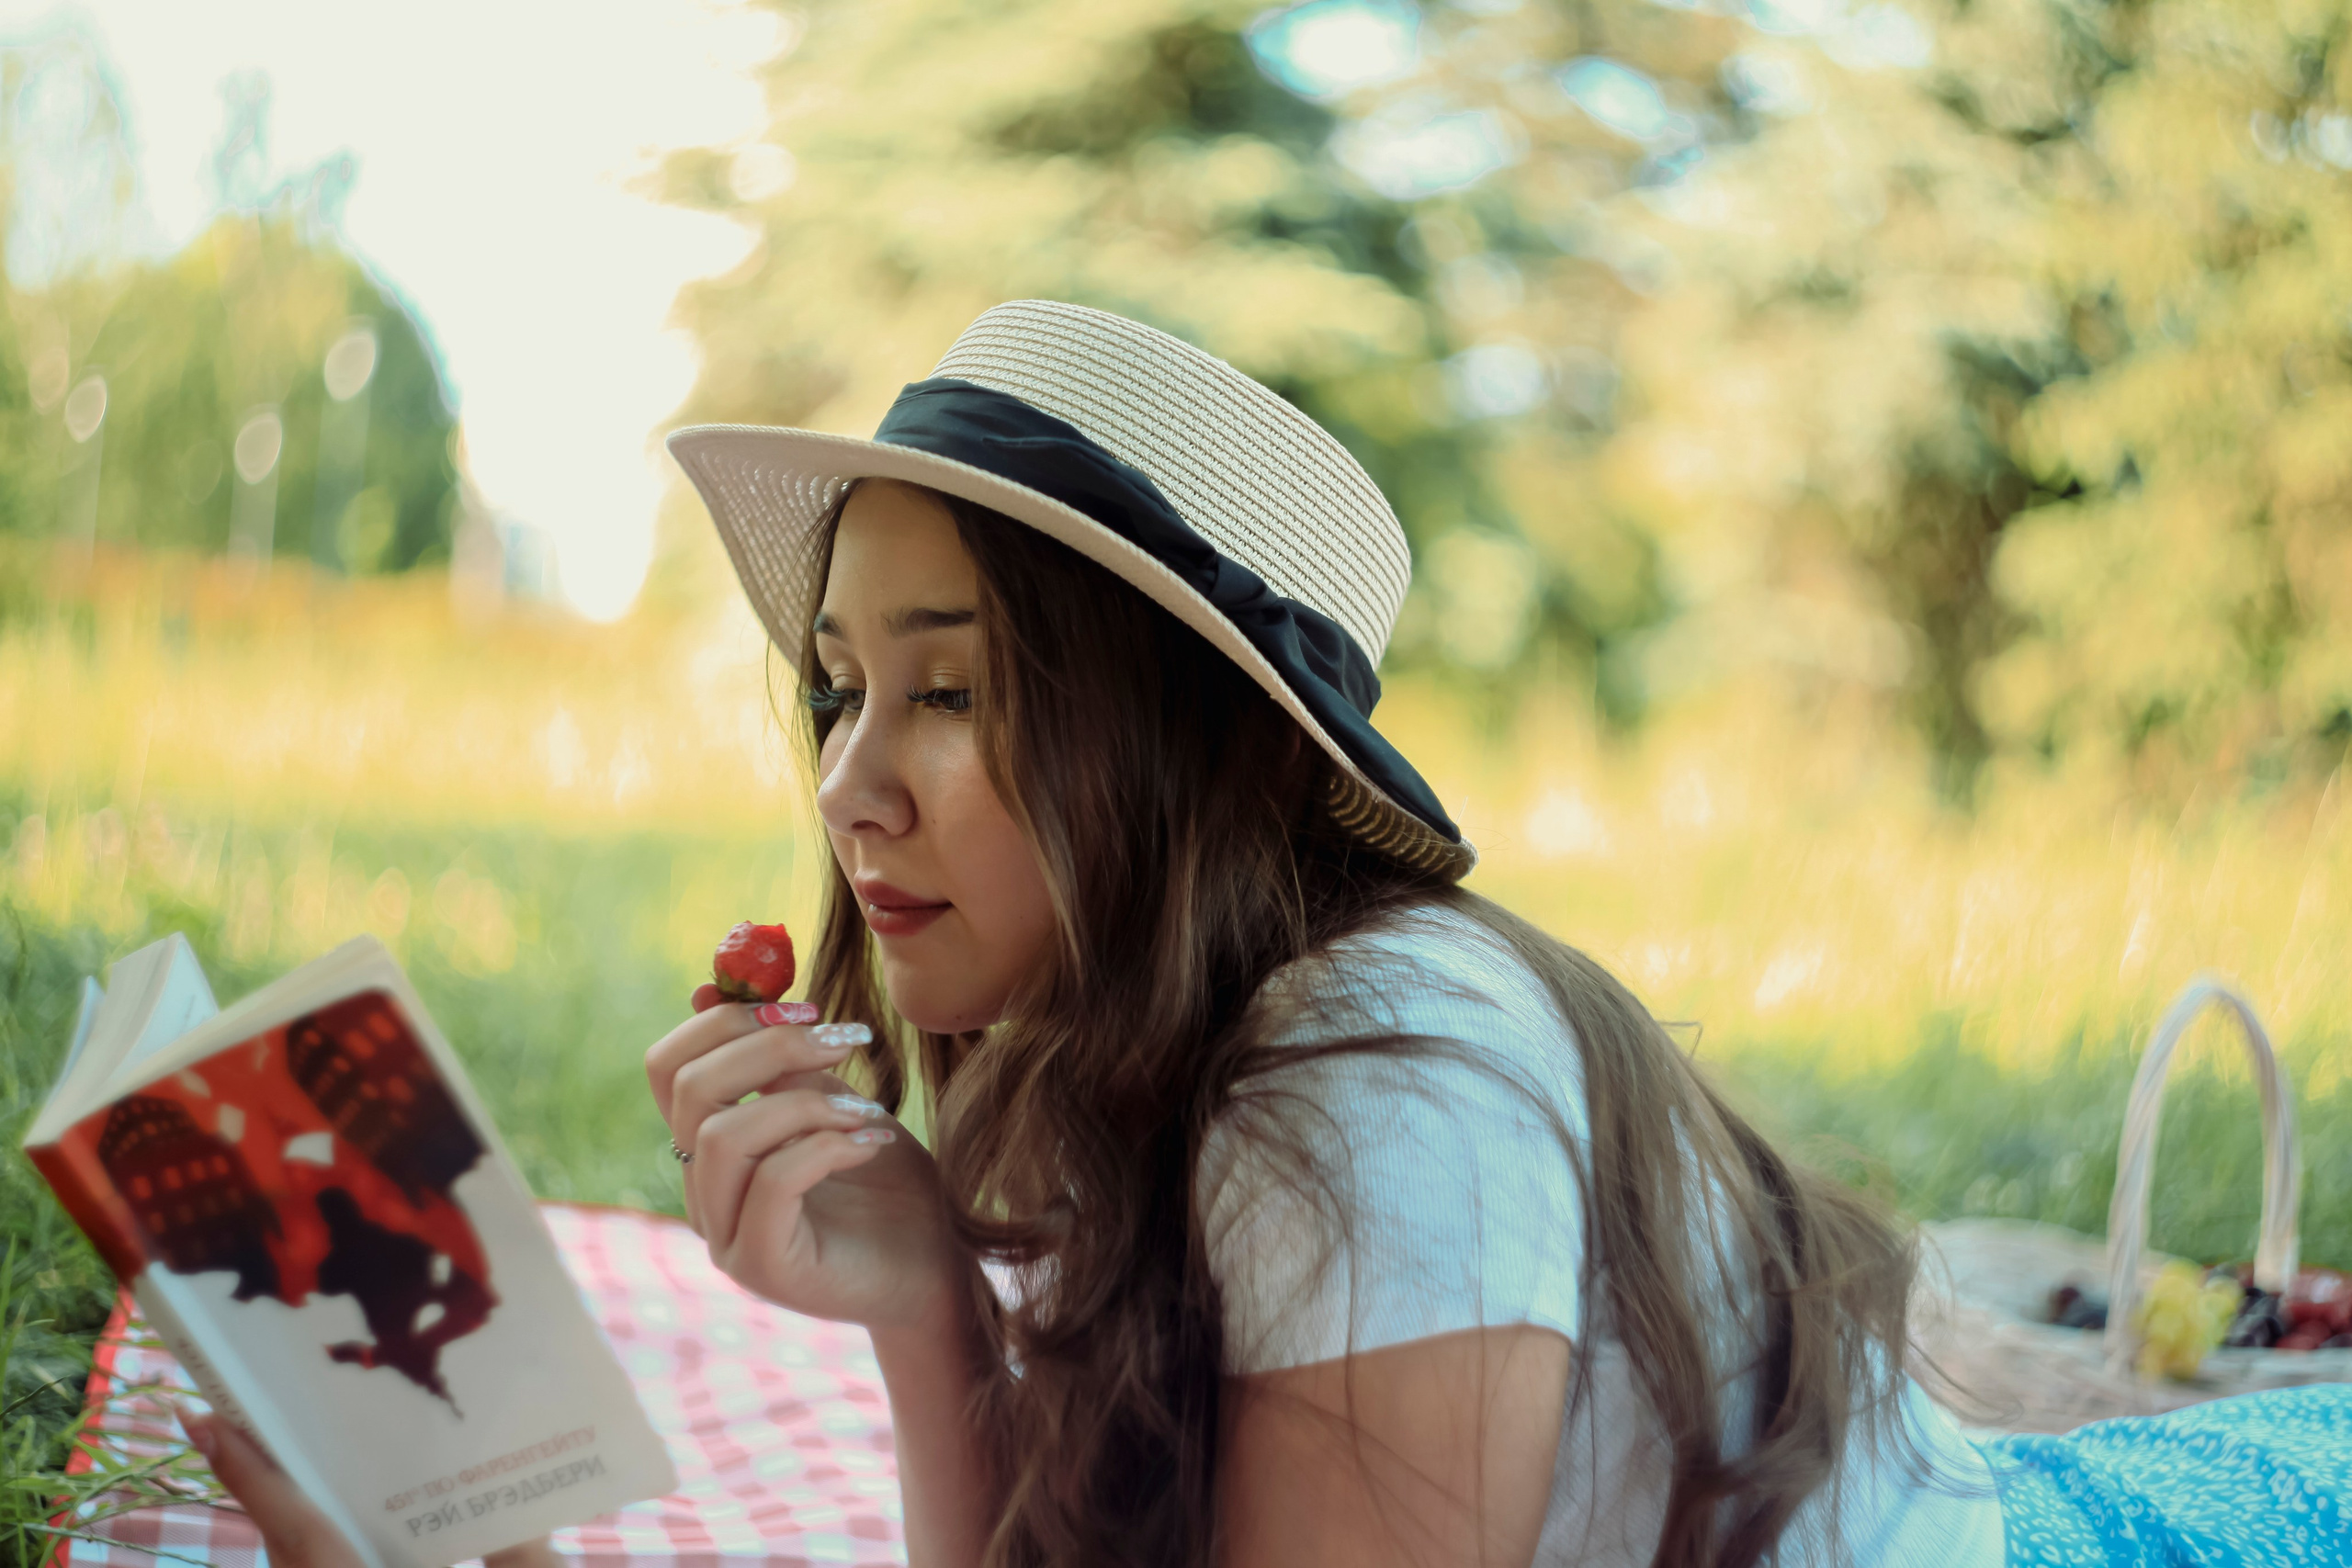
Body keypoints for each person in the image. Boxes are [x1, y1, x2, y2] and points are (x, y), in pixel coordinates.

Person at [191, 301, 2352, 1568]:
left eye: (949, 687)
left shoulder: (1378, 1079)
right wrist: (932, 1308)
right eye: (841, 684)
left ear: (1179, 747)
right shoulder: (1154, 1062)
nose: (854, 775)